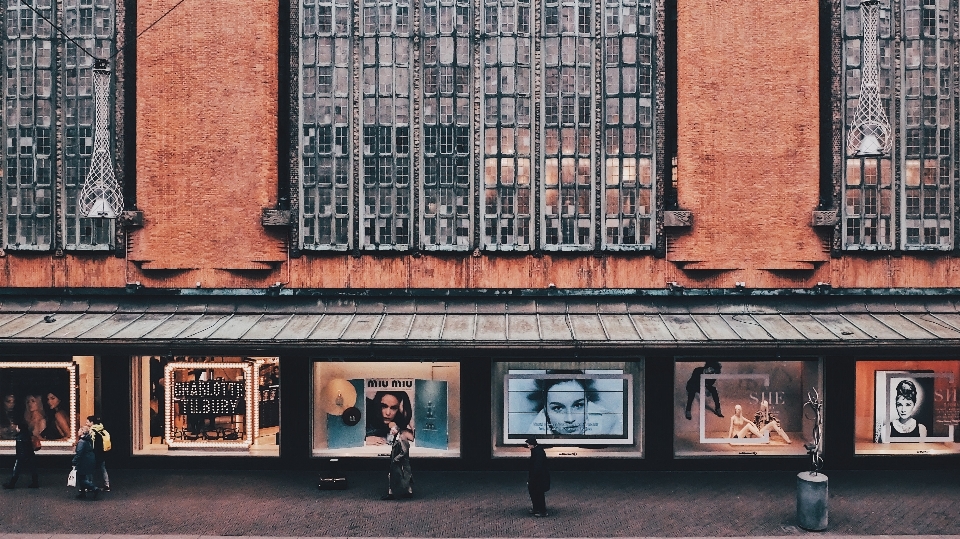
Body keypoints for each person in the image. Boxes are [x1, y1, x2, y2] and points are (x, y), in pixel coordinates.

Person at [526, 377, 622, 436]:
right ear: (545, 410)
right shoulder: (535, 434)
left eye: (578, 405)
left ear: (587, 402)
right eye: (558, 408)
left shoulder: (608, 423)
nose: (570, 419)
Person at [381, 422, 414, 500]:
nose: (391, 430)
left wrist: (396, 458)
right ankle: (393, 493)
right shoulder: (396, 437)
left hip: (401, 463)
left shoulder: (402, 438)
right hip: (398, 462)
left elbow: (404, 451)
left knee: (402, 477)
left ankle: (405, 492)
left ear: (397, 430)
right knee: (394, 476)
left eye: (393, 429)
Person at [2, 421, 39, 489]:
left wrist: (19, 457)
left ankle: (12, 484)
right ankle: (35, 483)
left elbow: (20, 449)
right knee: (33, 470)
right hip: (30, 455)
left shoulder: (19, 437)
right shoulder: (28, 435)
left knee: (16, 470)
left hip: (21, 457)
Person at [71, 425, 100, 499]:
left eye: (79, 430)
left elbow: (79, 453)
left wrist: (74, 461)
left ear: (82, 432)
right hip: (89, 460)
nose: (78, 431)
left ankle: (94, 488)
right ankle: (83, 493)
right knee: (83, 476)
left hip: (83, 461)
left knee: (81, 478)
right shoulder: (88, 440)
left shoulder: (81, 442)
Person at [525, 437, 550, 517]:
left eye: (528, 445)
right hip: (537, 477)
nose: (528, 446)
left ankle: (542, 511)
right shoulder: (536, 450)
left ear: (532, 444)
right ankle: (536, 508)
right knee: (534, 493)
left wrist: (531, 479)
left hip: (539, 478)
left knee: (538, 494)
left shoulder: (538, 452)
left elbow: (537, 467)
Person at [86, 415, 111, 492]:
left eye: (87, 421)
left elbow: (91, 444)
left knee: (89, 469)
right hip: (102, 453)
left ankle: (89, 485)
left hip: (94, 453)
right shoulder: (102, 429)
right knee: (103, 469)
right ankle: (107, 485)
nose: (86, 423)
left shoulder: (92, 431)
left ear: (92, 422)